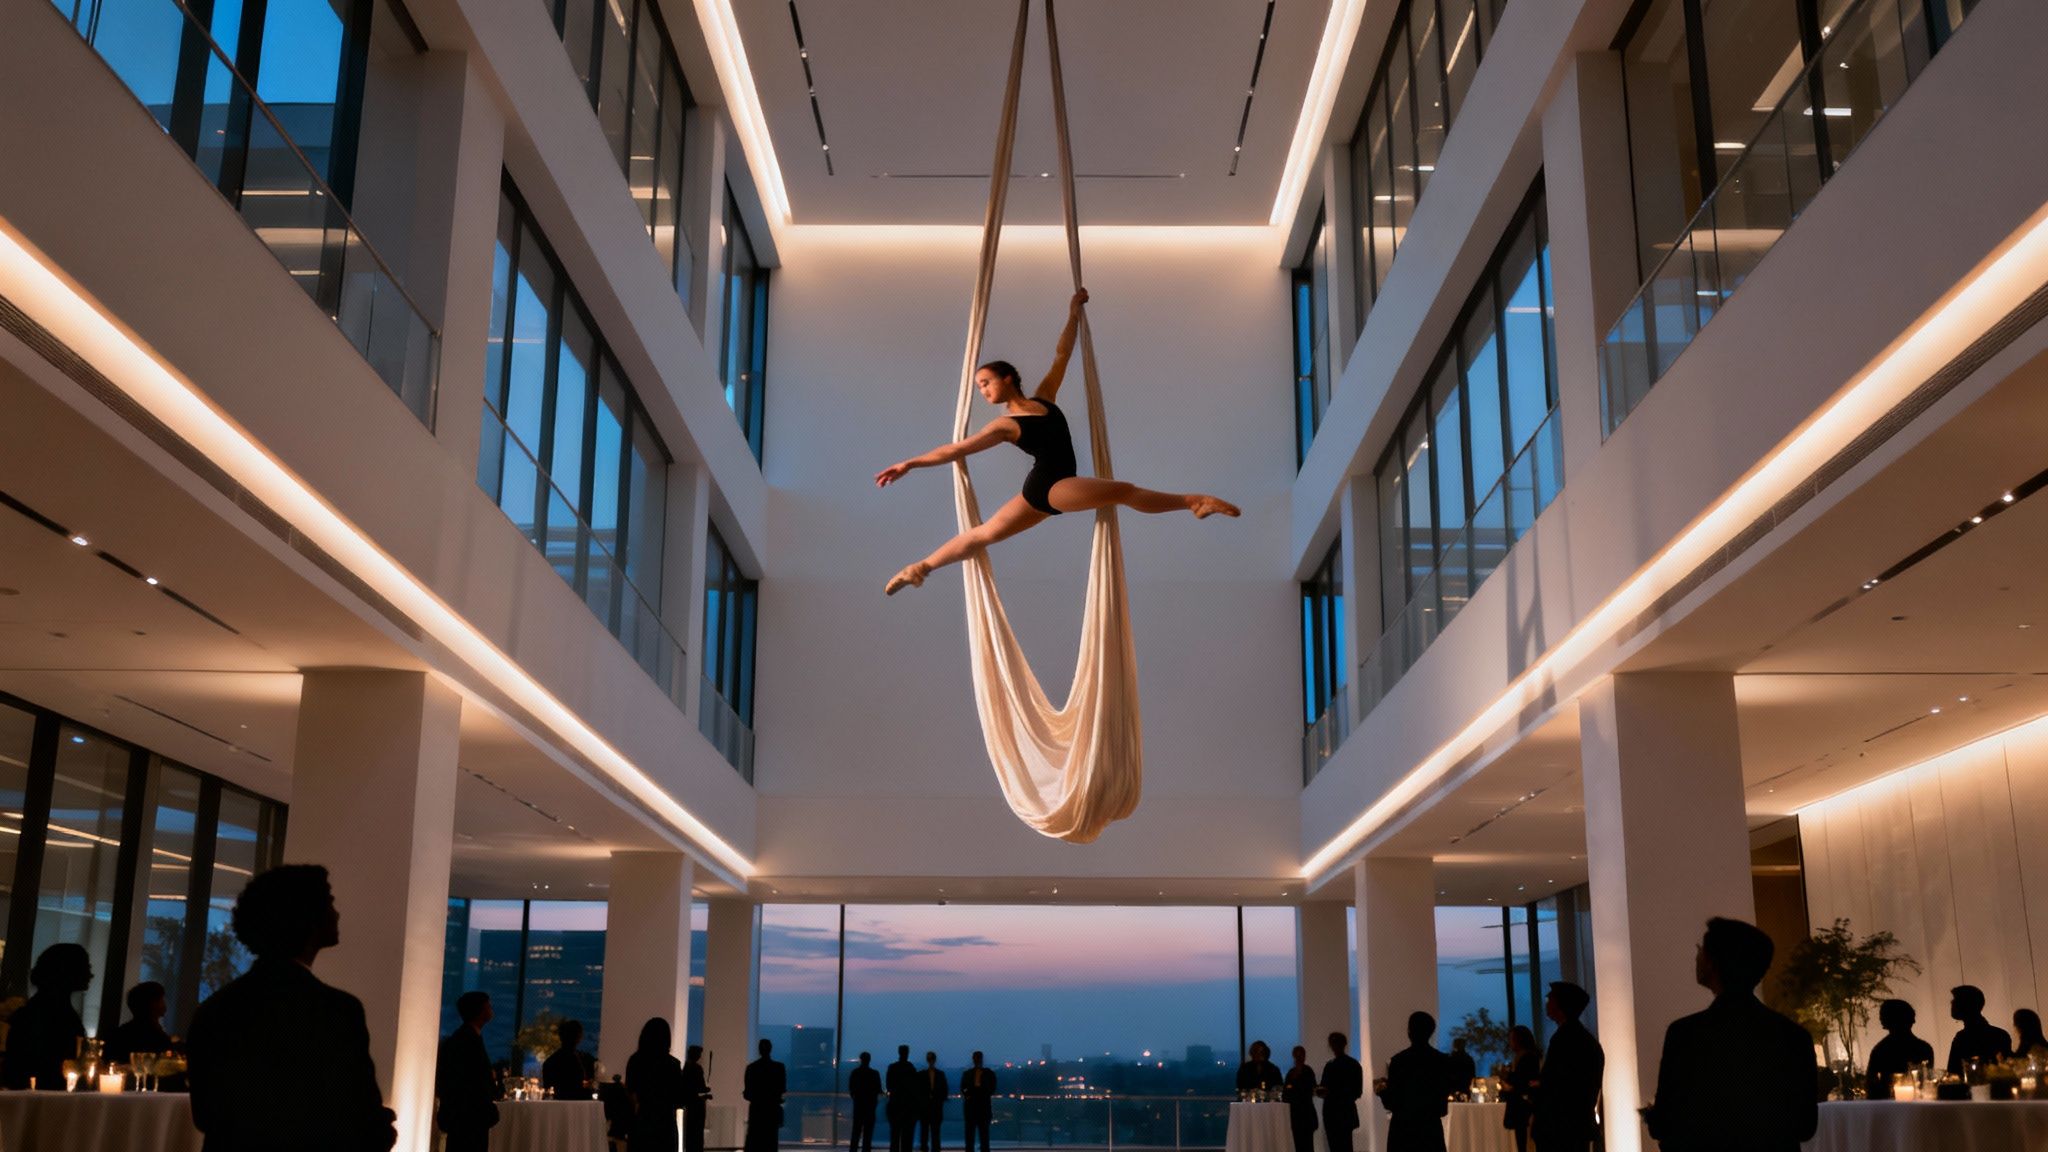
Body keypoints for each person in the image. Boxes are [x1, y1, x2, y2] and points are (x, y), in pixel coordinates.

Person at [877, 288, 1240, 595]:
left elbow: (1062, 355)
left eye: (986, 382)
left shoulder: (1044, 398)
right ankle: (1194, 501)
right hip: (1051, 486)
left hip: (1041, 491)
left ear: (1007, 378)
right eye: (979, 388)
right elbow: (955, 450)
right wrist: (910, 463)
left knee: (984, 534)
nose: (983, 391)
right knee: (1125, 491)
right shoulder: (1005, 426)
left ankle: (920, 567)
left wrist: (1072, 313)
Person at [186, 864, 397, 1151]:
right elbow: (360, 1112)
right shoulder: (336, 1010)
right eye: (330, 903)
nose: (337, 912)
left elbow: (206, 1115)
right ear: (309, 919)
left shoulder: (215, 1009)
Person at [1643, 918, 1817, 1152]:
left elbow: (1665, 1123)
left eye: (1701, 950)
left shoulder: (1686, 1034)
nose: (1697, 956)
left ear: (1713, 963)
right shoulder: (1794, 1037)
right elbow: (1805, 1126)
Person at [2, 943, 92, 1091]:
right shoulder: (50, 1014)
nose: (90, 974)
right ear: (67, 970)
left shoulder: (41, 1009)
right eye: (86, 967)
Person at [1531, 982, 1601, 1152]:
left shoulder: (1565, 1040)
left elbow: (1557, 1085)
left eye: (1550, 998)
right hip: (1575, 1127)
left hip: (1560, 1129)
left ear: (1561, 1005)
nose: (1546, 1001)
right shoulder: (1585, 1040)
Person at [1374, 1012, 1454, 1152]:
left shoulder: (1399, 1061)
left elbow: (1392, 1102)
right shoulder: (1442, 1061)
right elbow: (1441, 1105)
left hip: (1403, 1132)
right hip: (1431, 1131)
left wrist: (1381, 1091)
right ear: (1431, 1032)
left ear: (1410, 1031)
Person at [436, 991, 501, 1152]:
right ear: (480, 1011)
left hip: (464, 1117)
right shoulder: (467, 1042)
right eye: (488, 1006)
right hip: (469, 1118)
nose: (491, 1009)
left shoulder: (462, 1038)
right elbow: (472, 1081)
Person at [626, 1018, 687, 1152]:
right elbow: (679, 1098)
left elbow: (630, 1091)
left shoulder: (635, 1061)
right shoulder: (673, 1065)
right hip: (666, 1125)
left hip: (642, 1123)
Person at [1864, 1000, 1935, 1099]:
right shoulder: (1925, 1048)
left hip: (1888, 1106)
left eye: (1882, 1015)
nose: (1880, 1018)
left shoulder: (1880, 1049)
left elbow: (1871, 1085)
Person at [103, 980, 174, 1066]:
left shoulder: (119, 1033)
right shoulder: (158, 1038)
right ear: (153, 1004)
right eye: (161, 999)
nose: (164, 1003)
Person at [1945, 985, 2013, 1074]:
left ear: (1965, 1004)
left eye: (1955, 1000)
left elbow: (1953, 1072)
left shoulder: (1962, 1038)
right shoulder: (2001, 1034)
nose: (1951, 1002)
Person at [1317, 1032, 1363, 1152]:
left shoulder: (1331, 1066)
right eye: (1333, 1043)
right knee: (1344, 1146)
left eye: (1335, 1043)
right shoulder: (1353, 1064)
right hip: (1341, 1112)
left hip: (1336, 1112)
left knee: (1339, 1146)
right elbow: (1357, 1091)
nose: (1334, 1046)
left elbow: (1357, 1091)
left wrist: (1329, 1092)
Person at [1499, 1026, 1541, 1152]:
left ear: (1519, 1040)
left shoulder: (1526, 1058)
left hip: (1525, 1108)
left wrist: (1509, 1084)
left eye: (1512, 1039)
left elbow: (1522, 1082)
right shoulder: (1523, 1057)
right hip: (1522, 1108)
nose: (1510, 1042)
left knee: (1524, 1142)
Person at [745, 1038, 788, 1152]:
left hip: (757, 1112)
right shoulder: (779, 1068)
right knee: (770, 1143)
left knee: (755, 1142)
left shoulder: (751, 1068)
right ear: (770, 1049)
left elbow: (747, 1094)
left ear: (759, 1050)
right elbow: (782, 1089)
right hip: (771, 1112)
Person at [541, 1018, 596, 1101]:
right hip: (581, 1104)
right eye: (580, 1034)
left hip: (559, 1104)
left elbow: (547, 1086)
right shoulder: (582, 1058)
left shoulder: (551, 1061)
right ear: (578, 1037)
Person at [1282, 1045, 1318, 1152]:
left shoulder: (1308, 1071)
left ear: (1304, 1056)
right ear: (1294, 1056)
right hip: (1295, 1115)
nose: (1299, 1057)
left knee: (1308, 1144)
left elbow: (1312, 1089)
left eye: (1301, 1055)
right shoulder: (1290, 1073)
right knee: (1297, 1144)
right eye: (1297, 1055)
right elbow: (1286, 1093)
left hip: (1306, 1114)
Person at [886, 1044, 922, 1152]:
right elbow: (915, 1089)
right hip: (908, 1109)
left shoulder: (892, 1068)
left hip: (895, 1107)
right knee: (907, 1139)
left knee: (895, 1138)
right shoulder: (911, 1069)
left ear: (899, 1052)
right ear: (907, 1053)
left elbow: (889, 1086)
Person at [960, 1051, 997, 1152]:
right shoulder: (989, 1074)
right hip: (982, 1108)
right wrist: (981, 1092)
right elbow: (991, 1089)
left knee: (971, 1138)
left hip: (972, 1108)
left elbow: (964, 1089)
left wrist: (970, 1094)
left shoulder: (967, 1074)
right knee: (983, 1138)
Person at [849, 1051, 883, 1152]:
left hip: (859, 1106)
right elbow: (879, 1090)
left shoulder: (855, 1073)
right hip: (870, 1107)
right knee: (868, 1134)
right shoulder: (874, 1074)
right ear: (869, 1060)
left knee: (856, 1132)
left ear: (861, 1060)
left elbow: (852, 1089)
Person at [917, 1050, 950, 1152]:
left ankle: (927, 1149)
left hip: (928, 1108)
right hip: (934, 1108)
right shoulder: (940, 1074)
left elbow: (918, 1091)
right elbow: (944, 1090)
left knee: (926, 1133)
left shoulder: (922, 1075)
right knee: (933, 1134)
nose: (930, 1061)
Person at [684, 1045, 713, 1152]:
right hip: (696, 1107)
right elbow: (701, 1088)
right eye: (699, 1054)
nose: (700, 1056)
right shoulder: (697, 1068)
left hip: (689, 1105)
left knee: (690, 1134)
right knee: (697, 1135)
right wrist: (707, 1091)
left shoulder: (686, 1067)